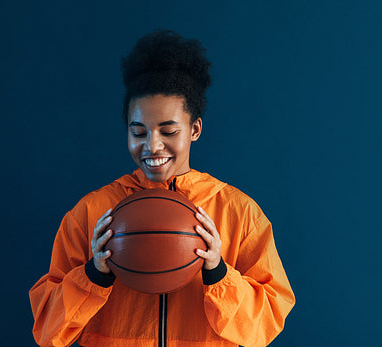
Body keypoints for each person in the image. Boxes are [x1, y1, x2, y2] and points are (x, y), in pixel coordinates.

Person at [29, 29, 295, 347]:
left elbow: (268, 321)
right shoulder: (92, 212)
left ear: (194, 129)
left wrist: (218, 272)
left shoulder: (238, 212)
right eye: (138, 132)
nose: (152, 146)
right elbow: (47, 329)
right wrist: (93, 275)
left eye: (168, 130)